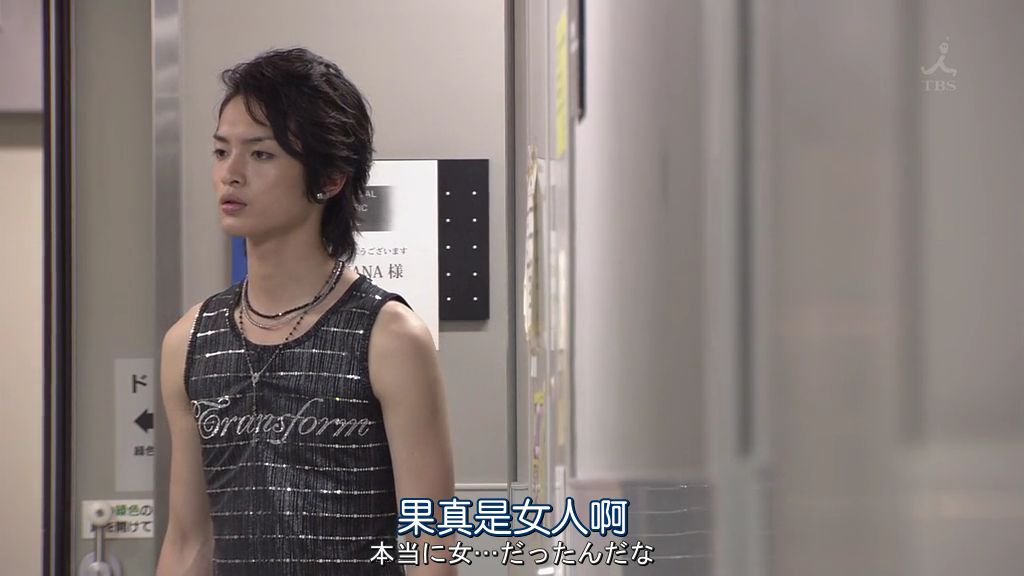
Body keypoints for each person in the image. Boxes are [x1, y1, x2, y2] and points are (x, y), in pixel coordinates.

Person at [156, 48, 456, 575]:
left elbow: (429, 544)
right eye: (221, 151)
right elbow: (188, 540)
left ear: (330, 177)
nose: (230, 173)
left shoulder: (388, 336)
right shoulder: (189, 340)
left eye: (261, 154)